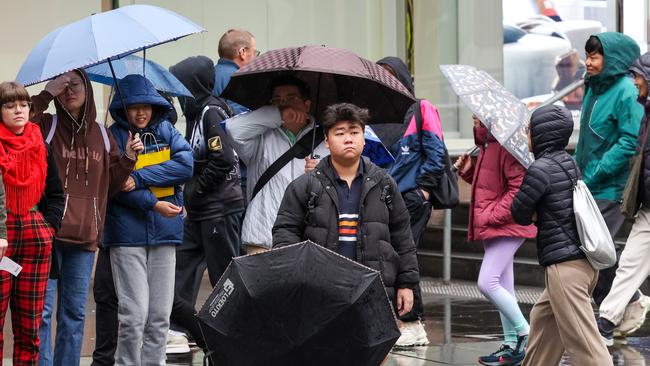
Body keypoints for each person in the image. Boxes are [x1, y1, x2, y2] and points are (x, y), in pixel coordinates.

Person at [30, 69, 142, 366]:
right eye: (63, 86)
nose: (69, 90)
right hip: (49, 235)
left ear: (88, 88)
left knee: (75, 313)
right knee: (42, 312)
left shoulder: (104, 136)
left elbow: (112, 185)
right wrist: (45, 94)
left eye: (75, 84)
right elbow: (16, 124)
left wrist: (129, 159)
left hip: (85, 238)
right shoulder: (46, 126)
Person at [273, 102, 419, 319]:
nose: (348, 139)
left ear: (363, 137)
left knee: (373, 350)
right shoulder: (306, 186)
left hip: (373, 288)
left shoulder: (384, 183)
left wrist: (407, 284)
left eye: (354, 132)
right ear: (327, 141)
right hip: (319, 291)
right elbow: (285, 233)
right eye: (339, 133)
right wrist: (296, 276)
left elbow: (403, 237)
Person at [103, 75, 193, 365]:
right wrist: (154, 203)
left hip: (166, 232)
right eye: (133, 107)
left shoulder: (167, 129)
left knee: (159, 316)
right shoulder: (113, 137)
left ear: (155, 106)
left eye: (146, 106)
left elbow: (186, 165)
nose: (141, 113)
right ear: (122, 109)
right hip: (125, 235)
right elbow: (114, 188)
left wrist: (139, 177)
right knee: (134, 315)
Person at [511, 104, 611, 365]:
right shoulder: (569, 162)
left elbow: (518, 212)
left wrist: (534, 211)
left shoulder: (540, 169)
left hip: (565, 269)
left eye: (529, 129)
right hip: (583, 265)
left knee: (586, 347)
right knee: (543, 322)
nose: (526, 134)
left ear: (542, 133)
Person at [573, 32, 648, 334]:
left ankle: (613, 311)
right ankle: (628, 302)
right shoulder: (594, 87)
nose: (588, 62)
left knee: (593, 249)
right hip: (589, 182)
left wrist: (594, 173)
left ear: (612, 60)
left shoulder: (625, 92)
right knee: (594, 248)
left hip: (613, 187)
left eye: (594, 56)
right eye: (587, 56)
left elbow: (630, 142)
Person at [169, 55, 245, 352]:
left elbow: (223, 158)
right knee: (181, 266)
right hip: (202, 211)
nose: (178, 91)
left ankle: (233, 332)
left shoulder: (211, 111)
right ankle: (179, 328)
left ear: (194, 83)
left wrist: (196, 192)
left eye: (181, 83)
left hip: (218, 209)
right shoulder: (196, 112)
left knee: (223, 275)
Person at [456, 115, 537, 365]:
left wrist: (491, 214)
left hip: (505, 225)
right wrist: (469, 171)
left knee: (487, 282)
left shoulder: (505, 144)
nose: (474, 117)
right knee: (505, 286)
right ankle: (511, 344)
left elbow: (519, 187)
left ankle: (526, 333)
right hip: (494, 225)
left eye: (478, 115)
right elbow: (490, 186)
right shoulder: (489, 145)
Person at [376, 56, 444, 346]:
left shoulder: (420, 108)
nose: (387, 81)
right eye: (381, 76)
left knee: (405, 256)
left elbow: (436, 152)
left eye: (391, 75)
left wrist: (423, 190)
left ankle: (413, 323)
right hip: (384, 197)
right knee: (393, 257)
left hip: (411, 197)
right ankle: (400, 319)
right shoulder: (376, 115)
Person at [226, 75, 328, 254]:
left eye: (290, 98)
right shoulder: (259, 137)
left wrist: (323, 172)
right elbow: (233, 130)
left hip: (308, 240)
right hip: (263, 237)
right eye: (277, 100)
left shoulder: (325, 140)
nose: (284, 104)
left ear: (307, 105)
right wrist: (278, 115)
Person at [0, 81, 64, 365]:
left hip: (35, 234)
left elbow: (57, 194)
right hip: (2, 235)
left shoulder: (41, 144)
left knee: (30, 326)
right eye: (10, 105)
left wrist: (47, 228)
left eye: (24, 105)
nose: (18, 111)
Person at [597, 52, 650, 345]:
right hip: (648, 207)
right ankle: (605, 322)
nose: (635, 80)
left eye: (639, 75)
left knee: (630, 262)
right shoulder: (646, 112)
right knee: (629, 262)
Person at [212, 29, 258, 118]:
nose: (255, 57)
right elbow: (242, 118)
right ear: (242, 52)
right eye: (254, 52)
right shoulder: (240, 80)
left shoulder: (208, 75)